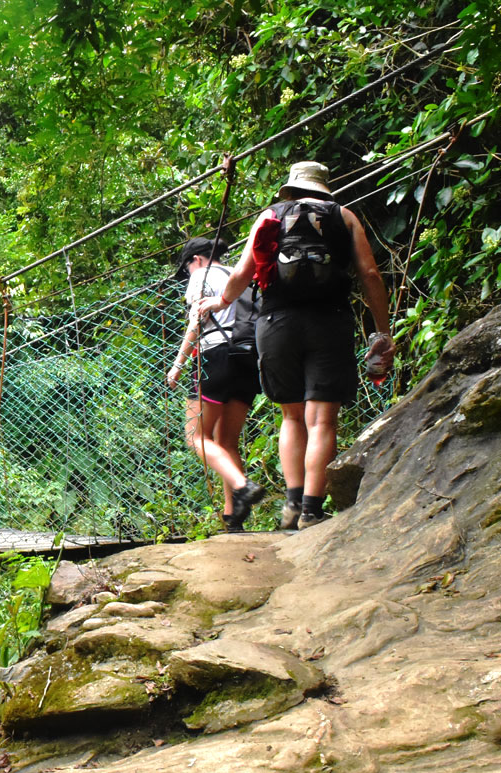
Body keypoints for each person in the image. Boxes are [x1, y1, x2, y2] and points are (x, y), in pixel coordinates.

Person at [196, 161, 394, 529]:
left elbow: (243, 273)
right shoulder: (345, 216)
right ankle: (310, 510)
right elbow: (369, 274)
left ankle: (291, 505)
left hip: (275, 323)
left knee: (291, 415)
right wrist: (382, 332)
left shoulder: (270, 215)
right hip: (329, 321)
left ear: (291, 187)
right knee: (321, 419)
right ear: (324, 187)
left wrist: (221, 302)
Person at [167, 237, 265, 530]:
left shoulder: (201, 276)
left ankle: (241, 484)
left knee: (196, 436)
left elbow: (196, 323)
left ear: (196, 259)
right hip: (247, 359)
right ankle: (232, 517)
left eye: (186, 267)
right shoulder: (240, 277)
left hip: (214, 358)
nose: (187, 273)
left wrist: (177, 366)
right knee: (226, 442)